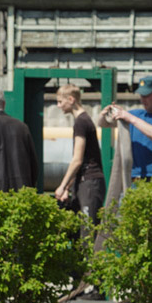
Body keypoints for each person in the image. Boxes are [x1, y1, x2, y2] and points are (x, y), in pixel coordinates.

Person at [98, 75, 152, 180]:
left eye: (147, 95)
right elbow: (104, 124)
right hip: (133, 177)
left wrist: (130, 118)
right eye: (141, 95)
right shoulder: (136, 114)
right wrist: (105, 114)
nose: (143, 99)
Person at [54, 84, 105, 226]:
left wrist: (62, 186)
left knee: (87, 231)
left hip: (89, 182)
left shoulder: (81, 123)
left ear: (71, 99)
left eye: (60, 101)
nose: (58, 106)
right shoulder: (83, 120)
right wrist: (68, 188)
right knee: (82, 229)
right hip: (86, 181)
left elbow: (77, 160)